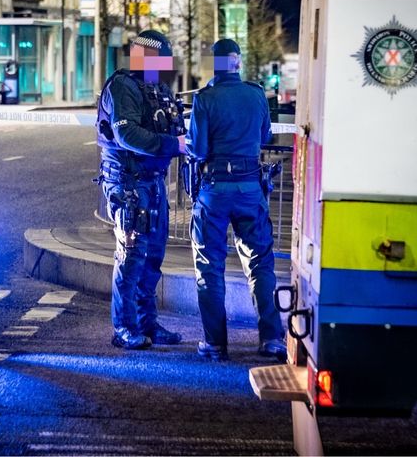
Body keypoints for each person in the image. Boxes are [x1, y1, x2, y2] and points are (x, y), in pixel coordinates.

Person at [187, 38, 286, 362]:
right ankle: (271, 339)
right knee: (260, 263)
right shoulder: (256, 94)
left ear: (214, 65)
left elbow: (198, 149)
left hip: (215, 190)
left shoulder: (205, 99)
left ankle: (215, 343)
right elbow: (265, 137)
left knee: (210, 267)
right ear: (238, 62)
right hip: (249, 188)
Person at [96, 30, 186, 350]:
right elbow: (127, 135)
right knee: (131, 256)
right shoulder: (122, 87)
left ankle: (148, 323)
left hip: (152, 181)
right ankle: (124, 327)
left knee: (153, 258)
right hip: (128, 182)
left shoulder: (154, 88)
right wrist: (172, 144)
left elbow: (170, 123)